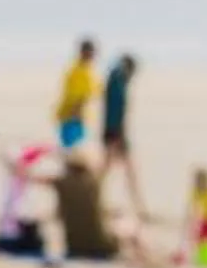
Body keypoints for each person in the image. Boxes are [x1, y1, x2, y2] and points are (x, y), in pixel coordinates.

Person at [100, 52, 146, 216]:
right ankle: (139, 207)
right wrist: (119, 136)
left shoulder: (113, 78)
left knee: (108, 169)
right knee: (127, 170)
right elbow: (117, 111)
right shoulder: (118, 81)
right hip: (115, 133)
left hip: (111, 131)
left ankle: (97, 200)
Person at [55, 38, 99, 150]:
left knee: (76, 150)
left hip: (78, 117)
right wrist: (75, 114)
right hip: (72, 116)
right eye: (90, 52)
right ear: (83, 52)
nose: (93, 55)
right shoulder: (78, 70)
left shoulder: (87, 69)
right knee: (72, 152)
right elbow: (77, 96)